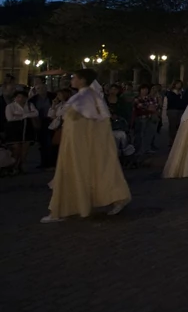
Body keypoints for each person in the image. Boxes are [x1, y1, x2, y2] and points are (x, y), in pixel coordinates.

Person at [41, 69, 131, 223]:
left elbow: (83, 120)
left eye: (74, 77)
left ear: (82, 80)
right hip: (77, 144)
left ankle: (62, 210)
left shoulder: (83, 97)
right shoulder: (89, 96)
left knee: (74, 173)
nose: (71, 80)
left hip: (77, 145)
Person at [4, 90, 38, 174]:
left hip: (27, 129)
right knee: (16, 149)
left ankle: (20, 165)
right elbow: (10, 118)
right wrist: (26, 115)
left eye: (22, 97)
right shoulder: (10, 106)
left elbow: (36, 113)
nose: (20, 99)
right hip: (14, 130)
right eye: (18, 97)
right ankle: (14, 166)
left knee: (24, 150)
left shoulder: (29, 105)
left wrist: (21, 115)